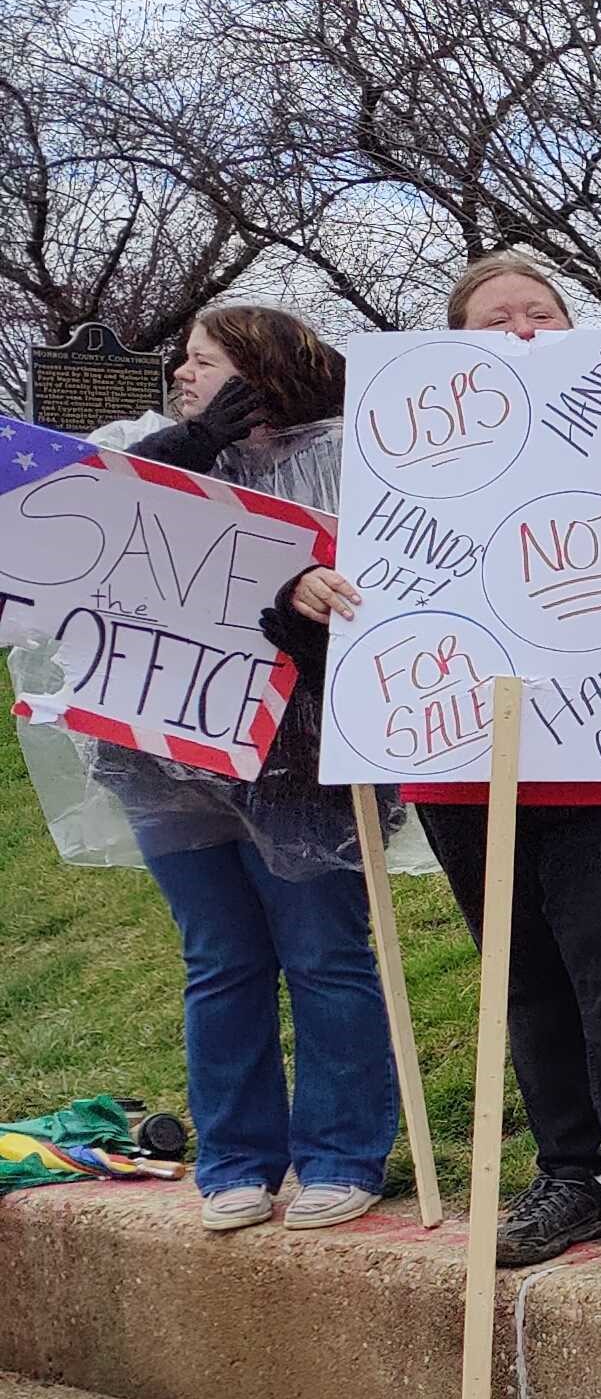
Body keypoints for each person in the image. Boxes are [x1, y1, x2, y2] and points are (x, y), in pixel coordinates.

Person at [287, 255, 601, 1293]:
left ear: (576, 327)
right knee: (526, 978)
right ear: (457, 346)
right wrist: (305, 595)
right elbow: (346, 598)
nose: (521, 331)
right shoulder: (401, 457)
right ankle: (569, 1176)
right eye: (495, 319)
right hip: (468, 761)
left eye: (540, 314)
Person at [96, 307, 402, 1232]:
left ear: (263, 370)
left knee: (322, 952)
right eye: (182, 361)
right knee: (219, 960)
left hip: (307, 756)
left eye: (205, 360)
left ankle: (341, 1154)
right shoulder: (145, 449)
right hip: (164, 750)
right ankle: (235, 1160)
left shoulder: (354, 458)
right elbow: (73, 518)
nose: (183, 373)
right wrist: (186, 445)